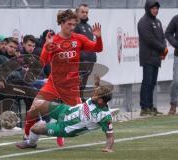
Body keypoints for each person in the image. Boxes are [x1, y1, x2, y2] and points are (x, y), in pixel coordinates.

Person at [23, 9, 103, 147]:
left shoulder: (79, 39)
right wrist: (47, 47)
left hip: (71, 86)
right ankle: (27, 136)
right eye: (69, 24)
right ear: (61, 23)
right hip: (53, 83)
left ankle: (59, 132)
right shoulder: (53, 40)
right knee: (34, 108)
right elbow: (42, 61)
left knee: (77, 117)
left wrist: (98, 37)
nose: (72, 27)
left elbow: (98, 48)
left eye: (74, 24)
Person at [16, 79, 116, 153]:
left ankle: (31, 143)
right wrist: (97, 83)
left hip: (65, 128)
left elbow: (110, 136)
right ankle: (34, 129)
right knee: (37, 104)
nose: (92, 95)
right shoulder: (98, 99)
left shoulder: (104, 116)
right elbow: (98, 90)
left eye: (95, 94)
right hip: (65, 110)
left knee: (35, 128)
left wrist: (108, 148)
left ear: (100, 100)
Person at [137, 0, 168, 116]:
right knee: (147, 82)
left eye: (157, 8)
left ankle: (150, 106)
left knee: (153, 82)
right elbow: (149, 40)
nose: (156, 10)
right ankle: (144, 108)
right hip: (147, 56)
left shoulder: (158, 22)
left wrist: (163, 48)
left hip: (156, 57)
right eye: (153, 8)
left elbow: (162, 37)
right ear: (148, 8)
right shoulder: (143, 22)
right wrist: (162, 48)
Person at [74, 3, 97, 101]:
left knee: (83, 86)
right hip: (81, 60)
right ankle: (76, 105)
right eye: (82, 12)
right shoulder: (75, 26)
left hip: (90, 59)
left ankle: (80, 103)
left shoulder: (88, 26)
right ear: (77, 12)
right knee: (78, 85)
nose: (85, 14)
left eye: (86, 12)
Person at [165, 13, 178, 115]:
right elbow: (168, 33)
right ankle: (173, 104)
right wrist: (176, 44)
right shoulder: (176, 19)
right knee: (176, 81)